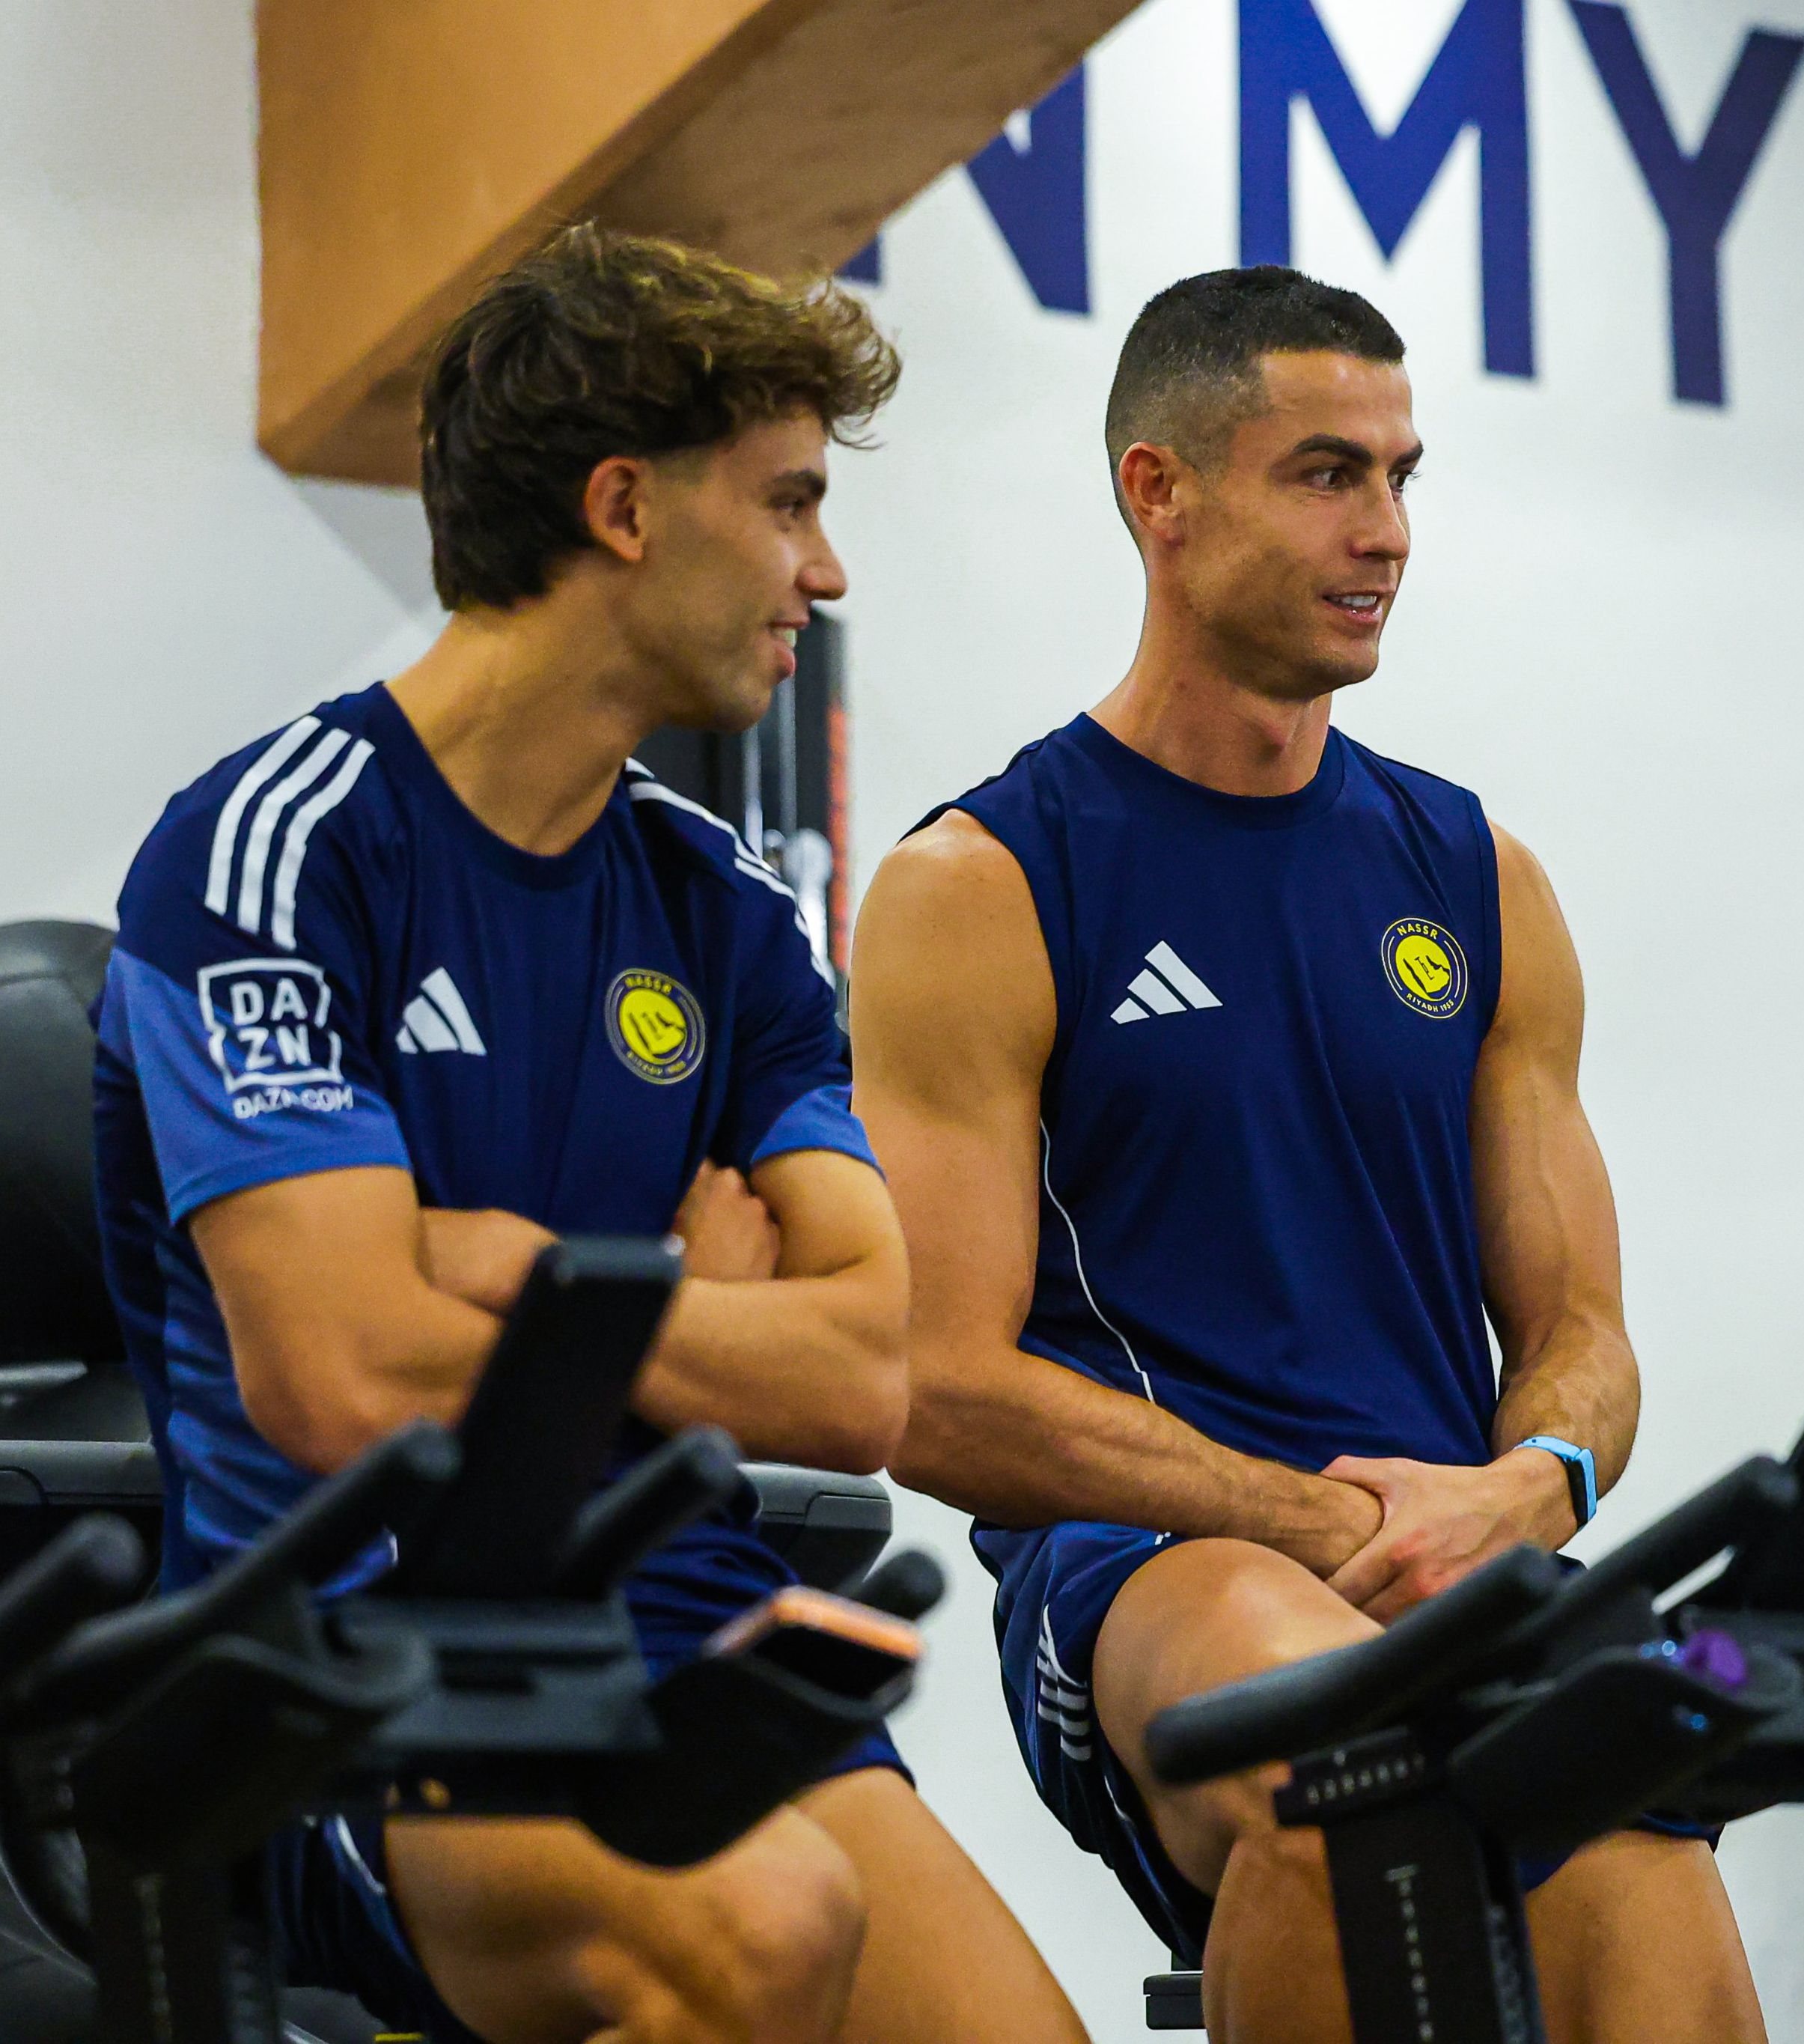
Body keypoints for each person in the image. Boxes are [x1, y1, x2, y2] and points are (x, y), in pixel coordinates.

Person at [92, 227, 1088, 2044]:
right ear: (626, 509)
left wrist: (521, 1273)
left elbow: (867, 1374)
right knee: (767, 1929)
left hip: (676, 1621)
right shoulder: (274, 850)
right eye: (787, 504)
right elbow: (332, 1377)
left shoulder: (721, 907)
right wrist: (695, 1320)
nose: (823, 567)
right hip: (356, 1669)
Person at [853, 266, 1765, 2044]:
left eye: (1403, 477)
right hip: (1144, 1562)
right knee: (1339, 1769)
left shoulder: (1476, 879)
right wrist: (1313, 1513)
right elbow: (930, 1390)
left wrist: (1534, 1490)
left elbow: (1582, 1336)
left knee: (1648, 1825)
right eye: (1327, 474)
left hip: (1453, 1548)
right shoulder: (980, 886)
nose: (1387, 532)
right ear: (1159, 493)